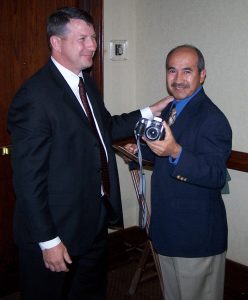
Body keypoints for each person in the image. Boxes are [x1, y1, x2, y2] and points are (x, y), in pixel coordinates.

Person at [7, 7, 171, 300]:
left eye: (93, 37)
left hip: (92, 220)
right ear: (56, 43)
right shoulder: (34, 97)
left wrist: (149, 110)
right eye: (82, 38)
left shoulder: (86, 82)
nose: (93, 45)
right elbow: (28, 181)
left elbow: (104, 128)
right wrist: (48, 241)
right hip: (55, 229)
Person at [125, 45, 232, 300]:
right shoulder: (173, 109)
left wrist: (176, 152)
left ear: (202, 75)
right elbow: (165, 153)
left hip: (195, 237)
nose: (178, 79)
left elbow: (216, 174)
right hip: (168, 230)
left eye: (187, 71)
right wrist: (140, 151)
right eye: (172, 71)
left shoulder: (212, 118)